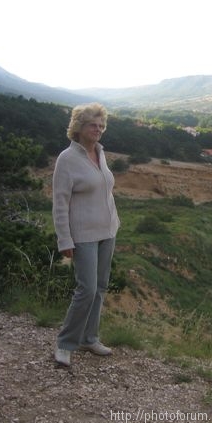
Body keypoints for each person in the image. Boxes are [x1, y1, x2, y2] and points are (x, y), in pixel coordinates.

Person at [52, 102, 120, 367]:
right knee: (87, 289)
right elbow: (59, 203)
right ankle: (65, 344)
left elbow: (106, 191)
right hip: (83, 235)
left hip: (108, 231)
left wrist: (114, 221)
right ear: (79, 127)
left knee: (100, 288)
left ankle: (90, 338)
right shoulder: (67, 159)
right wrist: (64, 239)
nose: (98, 130)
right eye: (93, 125)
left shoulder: (100, 154)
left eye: (101, 125)